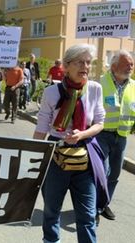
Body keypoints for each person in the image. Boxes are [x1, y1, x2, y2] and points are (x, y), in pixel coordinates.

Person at [33, 44, 108, 243]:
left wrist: (82, 134)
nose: (85, 67)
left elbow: (100, 123)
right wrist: (31, 157)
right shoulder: (51, 92)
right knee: (51, 210)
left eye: (88, 62)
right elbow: (41, 128)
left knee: (87, 214)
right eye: (80, 62)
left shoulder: (94, 89)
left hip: (85, 153)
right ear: (66, 65)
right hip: (56, 154)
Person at [96, 50, 135, 222]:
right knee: (102, 171)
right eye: (127, 63)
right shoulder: (99, 84)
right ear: (114, 66)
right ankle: (94, 208)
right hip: (101, 135)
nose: (131, 67)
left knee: (114, 174)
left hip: (122, 136)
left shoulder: (134, 86)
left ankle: (103, 204)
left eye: (132, 64)